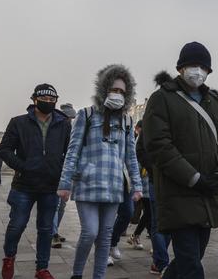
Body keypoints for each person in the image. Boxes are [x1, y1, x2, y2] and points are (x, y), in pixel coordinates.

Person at [143, 41, 218, 279]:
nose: (198, 71)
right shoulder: (162, 98)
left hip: (208, 194)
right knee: (192, 266)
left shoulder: (215, 104)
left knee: (188, 261)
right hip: (178, 194)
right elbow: (158, 145)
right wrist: (193, 177)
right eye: (192, 65)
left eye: (203, 66)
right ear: (181, 68)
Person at [57, 64, 143, 279]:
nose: (118, 95)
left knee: (105, 237)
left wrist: (137, 185)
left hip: (113, 186)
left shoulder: (126, 121)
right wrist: (65, 183)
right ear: (104, 90)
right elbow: (73, 151)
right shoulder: (85, 116)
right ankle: (77, 274)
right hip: (88, 183)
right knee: (90, 232)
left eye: (122, 92)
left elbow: (131, 156)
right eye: (114, 90)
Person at [0, 83, 71, 279]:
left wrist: (61, 169)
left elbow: (70, 152)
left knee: (46, 229)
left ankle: (42, 268)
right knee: (17, 225)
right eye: (44, 99)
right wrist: (23, 166)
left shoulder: (63, 123)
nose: (48, 102)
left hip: (50, 185)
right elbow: (4, 149)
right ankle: (9, 258)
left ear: (56, 101)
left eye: (52, 100)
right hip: (24, 185)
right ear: (34, 99)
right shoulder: (18, 122)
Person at [136, 118, 172, 275]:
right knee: (159, 222)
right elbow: (140, 152)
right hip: (156, 180)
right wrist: (153, 169)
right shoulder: (149, 129)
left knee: (167, 222)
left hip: (173, 180)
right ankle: (161, 261)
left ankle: (160, 261)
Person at [51, 103, 77, 249]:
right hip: (55, 171)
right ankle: (52, 233)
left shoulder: (72, 130)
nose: (70, 121)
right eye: (69, 118)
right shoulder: (55, 130)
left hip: (66, 172)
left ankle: (55, 231)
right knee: (55, 204)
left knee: (62, 205)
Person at [128, 120, 149, 251]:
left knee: (150, 214)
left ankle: (135, 235)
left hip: (153, 182)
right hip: (144, 182)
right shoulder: (141, 140)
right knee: (149, 213)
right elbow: (136, 161)